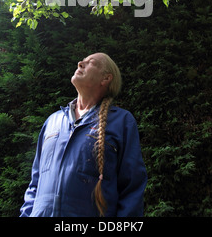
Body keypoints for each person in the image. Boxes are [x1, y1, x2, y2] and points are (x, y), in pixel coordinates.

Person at [20, 52, 147, 217]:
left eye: (91, 62)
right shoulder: (52, 121)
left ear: (106, 79)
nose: (80, 63)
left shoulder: (121, 121)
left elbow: (132, 187)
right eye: (82, 61)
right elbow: (35, 182)